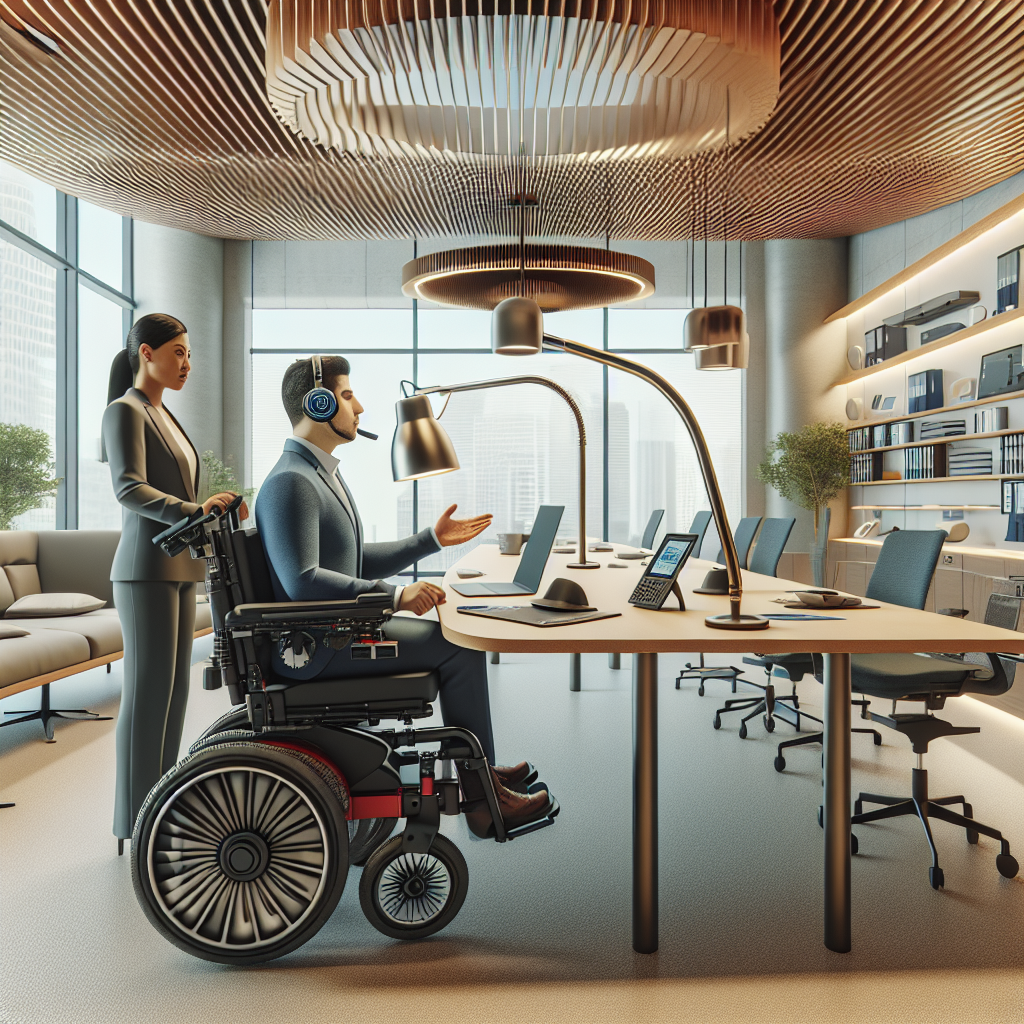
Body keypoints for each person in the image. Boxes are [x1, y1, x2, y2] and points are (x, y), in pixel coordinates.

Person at [255, 355, 553, 835]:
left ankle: (483, 776)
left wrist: (430, 539)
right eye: (348, 396)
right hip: (319, 649)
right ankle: (483, 798)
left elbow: (349, 565)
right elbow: (302, 580)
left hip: (333, 633)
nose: (361, 408)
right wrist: (393, 597)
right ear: (319, 401)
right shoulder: (292, 482)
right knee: (459, 647)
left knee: (456, 641)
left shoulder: (316, 474)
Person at [102, 314, 246, 854]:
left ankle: (160, 805)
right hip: (144, 568)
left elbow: (184, 488)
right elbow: (128, 489)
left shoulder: (166, 415)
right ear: (147, 353)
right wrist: (192, 508)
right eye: (179, 352)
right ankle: (134, 820)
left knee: (174, 692)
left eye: (189, 353)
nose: (188, 363)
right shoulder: (125, 411)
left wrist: (218, 506)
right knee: (146, 694)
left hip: (181, 568)